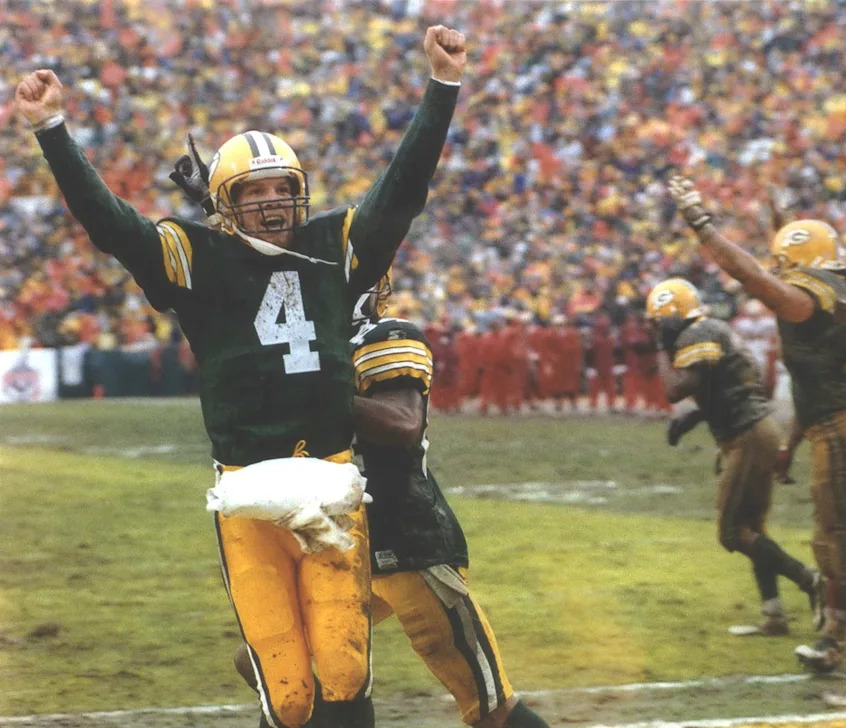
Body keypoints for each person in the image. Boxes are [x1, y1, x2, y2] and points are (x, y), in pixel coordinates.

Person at [15, 25, 465, 728]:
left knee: (344, 672)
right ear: (226, 203)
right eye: (254, 193)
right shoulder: (195, 255)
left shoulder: (332, 244)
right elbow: (111, 226)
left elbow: (403, 191)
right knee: (287, 691)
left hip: (332, 480)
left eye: (283, 189)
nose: (273, 204)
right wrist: (52, 130)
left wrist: (442, 88)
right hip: (246, 493)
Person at [235, 276, 551, 728]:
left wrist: (316, 389)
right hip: (335, 542)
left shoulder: (384, 338)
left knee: (490, 707)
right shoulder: (305, 351)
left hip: (406, 543)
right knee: (269, 666)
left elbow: (402, 423)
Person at [668, 176, 846, 708]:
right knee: (841, 545)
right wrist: (782, 224)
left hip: (845, 429)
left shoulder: (810, 298)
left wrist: (703, 227)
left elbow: (753, 275)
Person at [645, 278, 821, 636]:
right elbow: (721, 385)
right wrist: (694, 418)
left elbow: (675, 389)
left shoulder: (698, 333)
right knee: (753, 529)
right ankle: (774, 613)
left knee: (732, 533)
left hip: (749, 434)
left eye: (656, 322)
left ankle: (810, 580)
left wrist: (663, 348)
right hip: (753, 428)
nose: (655, 329)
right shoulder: (710, 328)